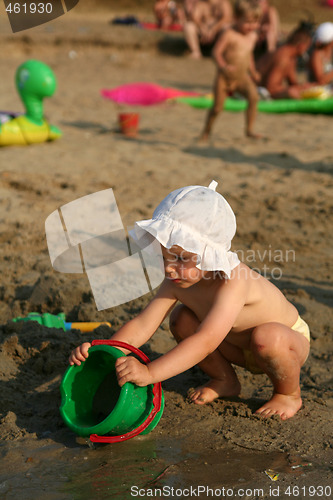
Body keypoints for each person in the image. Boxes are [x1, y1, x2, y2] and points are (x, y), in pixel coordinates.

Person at [69, 181, 311, 420]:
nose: (169, 269)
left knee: (266, 337)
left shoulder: (234, 281)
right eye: (164, 257)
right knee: (181, 319)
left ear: (209, 253)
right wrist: (104, 352)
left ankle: (288, 393)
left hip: (284, 343)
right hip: (237, 345)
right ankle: (224, 380)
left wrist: (150, 373)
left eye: (181, 259)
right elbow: (143, 325)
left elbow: (206, 341)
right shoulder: (176, 282)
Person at [200, 0, 262, 140]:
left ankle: (249, 129)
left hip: (242, 77)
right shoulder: (229, 34)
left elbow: (249, 55)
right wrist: (223, 66)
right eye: (247, 22)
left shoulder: (252, 37)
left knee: (253, 97)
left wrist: (253, 72)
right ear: (236, 19)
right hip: (225, 77)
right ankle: (206, 132)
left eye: (255, 22)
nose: (251, 26)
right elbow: (216, 53)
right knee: (217, 108)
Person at [256, 21, 314, 99]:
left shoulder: (292, 58)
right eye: (307, 47)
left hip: (266, 89)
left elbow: (293, 83)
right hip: (258, 90)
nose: (306, 50)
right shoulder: (283, 57)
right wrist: (292, 90)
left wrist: (304, 86)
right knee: (292, 93)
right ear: (301, 46)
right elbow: (270, 88)